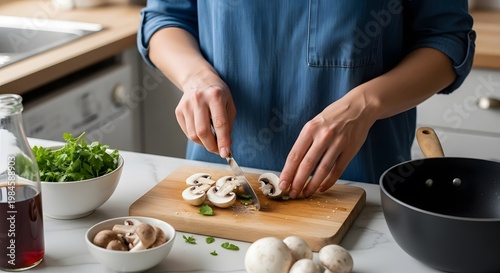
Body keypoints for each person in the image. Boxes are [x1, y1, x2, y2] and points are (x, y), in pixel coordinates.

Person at [137, 1, 475, 199]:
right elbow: (165, 17)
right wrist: (194, 77)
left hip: (362, 188)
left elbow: (446, 39)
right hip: (217, 175)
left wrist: (366, 104)